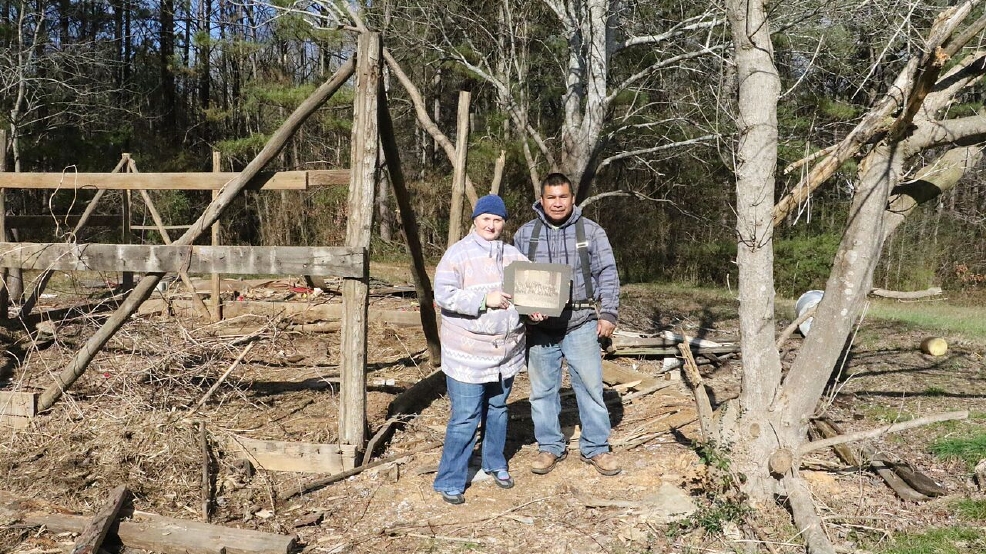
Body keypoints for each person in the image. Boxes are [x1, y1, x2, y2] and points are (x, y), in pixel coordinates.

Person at [513, 172, 621, 476]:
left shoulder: (591, 232)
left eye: (563, 197)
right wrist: (524, 313)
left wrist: (609, 314)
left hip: (582, 322)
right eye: (551, 197)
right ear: (542, 199)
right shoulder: (525, 234)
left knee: (590, 388)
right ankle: (549, 447)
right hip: (540, 330)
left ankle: (596, 448)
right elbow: (515, 279)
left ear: (572, 198)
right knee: (542, 392)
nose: (557, 203)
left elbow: (608, 274)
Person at [432, 194, 531, 505]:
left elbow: (532, 291)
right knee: (465, 417)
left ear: (504, 223)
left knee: (499, 410)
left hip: (506, 354)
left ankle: (494, 463)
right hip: (467, 354)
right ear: (475, 219)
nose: (492, 224)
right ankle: (450, 479)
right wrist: (482, 299)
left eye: (498, 219)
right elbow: (444, 295)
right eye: (486, 218)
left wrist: (536, 309)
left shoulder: (514, 255)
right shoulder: (457, 255)